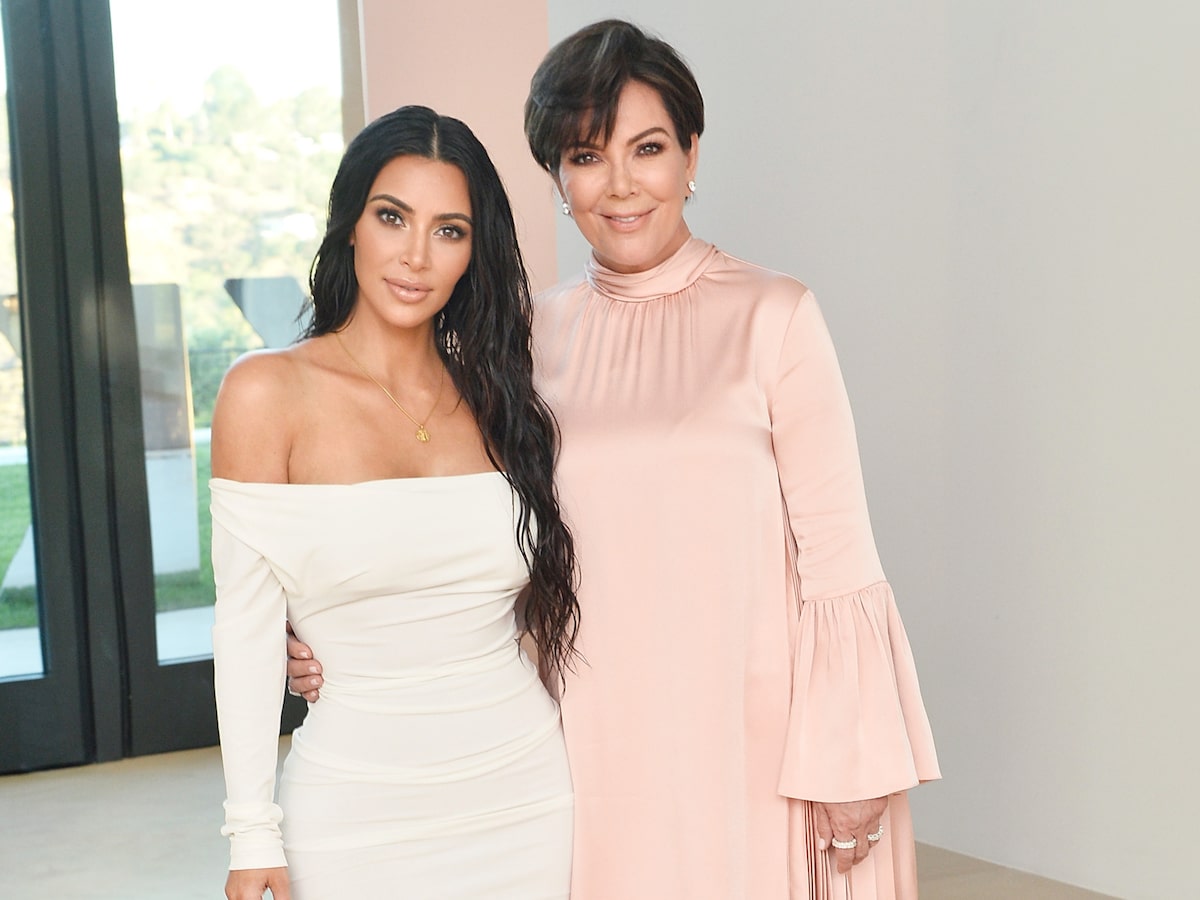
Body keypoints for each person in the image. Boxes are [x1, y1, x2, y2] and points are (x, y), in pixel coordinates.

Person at [290, 19, 940, 899]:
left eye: (649, 149)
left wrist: (849, 756)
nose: (622, 185)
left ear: (691, 155)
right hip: (583, 741)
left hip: (752, 737)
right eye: (588, 156)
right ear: (557, 177)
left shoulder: (776, 317)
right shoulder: (525, 339)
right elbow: (453, 530)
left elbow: (840, 558)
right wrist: (323, 632)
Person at [210, 104, 579, 900]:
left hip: (522, 793)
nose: (416, 256)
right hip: (353, 804)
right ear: (350, 224)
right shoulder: (266, 393)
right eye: (392, 217)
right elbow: (244, 629)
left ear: (473, 252)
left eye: (449, 230)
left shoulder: (501, 397)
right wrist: (251, 832)